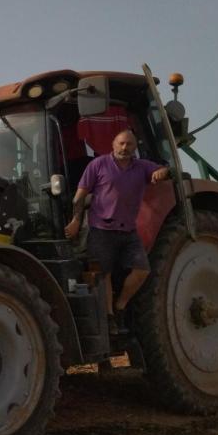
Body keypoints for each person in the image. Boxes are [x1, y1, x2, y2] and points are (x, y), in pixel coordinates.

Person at [64, 129, 170, 333]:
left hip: (128, 231)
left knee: (142, 270)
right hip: (101, 229)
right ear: (113, 145)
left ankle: (120, 305)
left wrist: (161, 173)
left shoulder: (141, 167)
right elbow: (80, 196)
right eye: (121, 143)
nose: (125, 147)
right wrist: (76, 220)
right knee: (103, 275)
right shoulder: (98, 165)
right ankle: (110, 317)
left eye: (129, 144)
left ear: (134, 147)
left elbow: (163, 171)